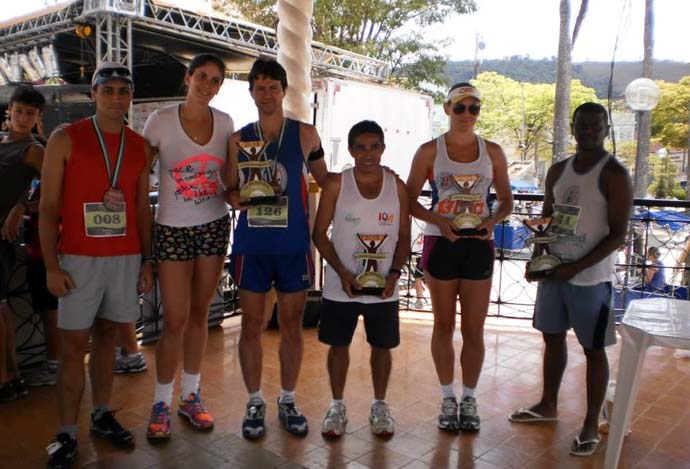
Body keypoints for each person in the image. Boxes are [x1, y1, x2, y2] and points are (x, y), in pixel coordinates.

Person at [40, 62, 154, 468]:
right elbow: (48, 206)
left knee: (107, 338)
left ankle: (102, 414)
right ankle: (67, 432)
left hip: (124, 257)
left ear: (130, 97)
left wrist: (148, 261)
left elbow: (141, 208)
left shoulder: (140, 146)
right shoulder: (65, 138)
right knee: (73, 347)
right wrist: (51, 266)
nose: (116, 98)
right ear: (93, 94)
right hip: (78, 258)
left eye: (123, 91)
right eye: (108, 90)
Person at [508, 102, 633, 458]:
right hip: (554, 273)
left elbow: (618, 235)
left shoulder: (614, 174)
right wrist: (537, 261)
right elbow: (547, 219)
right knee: (552, 339)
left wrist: (575, 268)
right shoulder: (558, 170)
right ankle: (548, 404)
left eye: (596, 126)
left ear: (607, 129)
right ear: (572, 128)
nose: (588, 131)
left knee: (593, 349)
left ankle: (591, 423)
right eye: (582, 125)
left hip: (591, 279)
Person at [226, 58, 328, 439]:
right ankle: (254, 401)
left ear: (284, 91)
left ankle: (287, 399)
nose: (267, 94)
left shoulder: (305, 134)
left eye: (273, 87)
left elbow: (326, 180)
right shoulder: (238, 138)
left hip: (292, 245)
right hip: (252, 245)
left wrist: (371, 180)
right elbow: (228, 188)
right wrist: (235, 197)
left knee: (291, 325)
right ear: (251, 92)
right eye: (260, 87)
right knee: (251, 324)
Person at [405, 83, 513, 432]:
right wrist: (439, 221)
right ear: (447, 109)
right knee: (443, 325)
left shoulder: (492, 152)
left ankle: (469, 398)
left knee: (474, 330)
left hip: (479, 244)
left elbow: (507, 200)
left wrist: (491, 222)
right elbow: (409, 199)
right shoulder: (429, 151)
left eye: (474, 108)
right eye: (460, 107)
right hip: (441, 242)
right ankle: (447, 397)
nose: (467, 114)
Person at [143, 53, 233, 439]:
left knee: (200, 315)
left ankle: (191, 396)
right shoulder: (160, 120)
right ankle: (161, 401)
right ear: (188, 77)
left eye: (215, 80)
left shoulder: (225, 123)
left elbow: (231, 178)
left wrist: (250, 194)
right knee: (174, 320)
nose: (207, 85)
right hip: (171, 229)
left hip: (213, 225)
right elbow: (137, 175)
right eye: (202, 77)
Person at [313, 120, 410, 437]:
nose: (368, 154)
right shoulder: (336, 184)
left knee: (382, 347)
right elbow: (319, 234)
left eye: (374, 147)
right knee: (338, 346)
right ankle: (337, 405)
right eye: (361, 148)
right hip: (341, 286)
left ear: (383, 149)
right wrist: (342, 273)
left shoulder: (397, 187)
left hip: (384, 287)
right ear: (351, 150)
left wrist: (394, 275)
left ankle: (380, 405)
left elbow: (404, 237)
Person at [0, 85, 46, 401]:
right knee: (2, 305)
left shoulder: (33, 149)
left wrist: (21, 208)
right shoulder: (4, 143)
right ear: (9, 111)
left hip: (5, 234)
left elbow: (56, 187)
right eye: (19, 111)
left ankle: (5, 379)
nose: (22, 117)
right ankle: (12, 375)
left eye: (30, 113)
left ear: (37, 117)